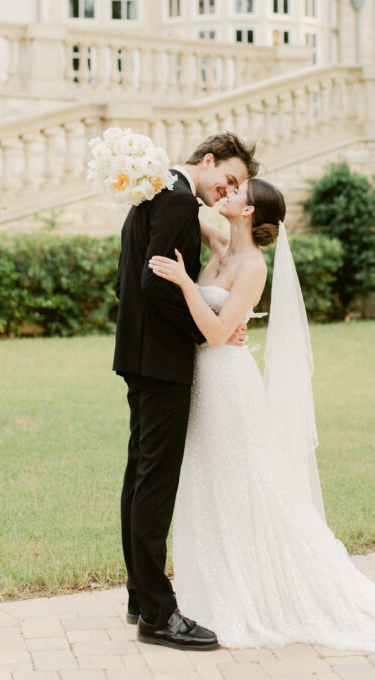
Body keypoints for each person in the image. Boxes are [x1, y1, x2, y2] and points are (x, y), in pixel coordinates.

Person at [148, 177, 375, 651]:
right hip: (202, 383)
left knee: (246, 484)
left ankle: (262, 593)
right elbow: (187, 200)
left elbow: (220, 333)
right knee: (207, 483)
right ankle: (215, 589)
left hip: (228, 385)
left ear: (250, 212)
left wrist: (183, 282)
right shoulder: (220, 244)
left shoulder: (253, 267)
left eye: (238, 192)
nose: (229, 193)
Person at [114, 132, 259, 651]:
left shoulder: (160, 188)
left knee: (140, 474)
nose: (228, 190)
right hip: (163, 361)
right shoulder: (174, 197)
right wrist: (210, 327)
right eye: (230, 179)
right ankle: (157, 612)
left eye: (238, 187)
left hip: (140, 353)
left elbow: (129, 278)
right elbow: (157, 284)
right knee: (155, 484)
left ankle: (139, 594)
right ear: (209, 160)